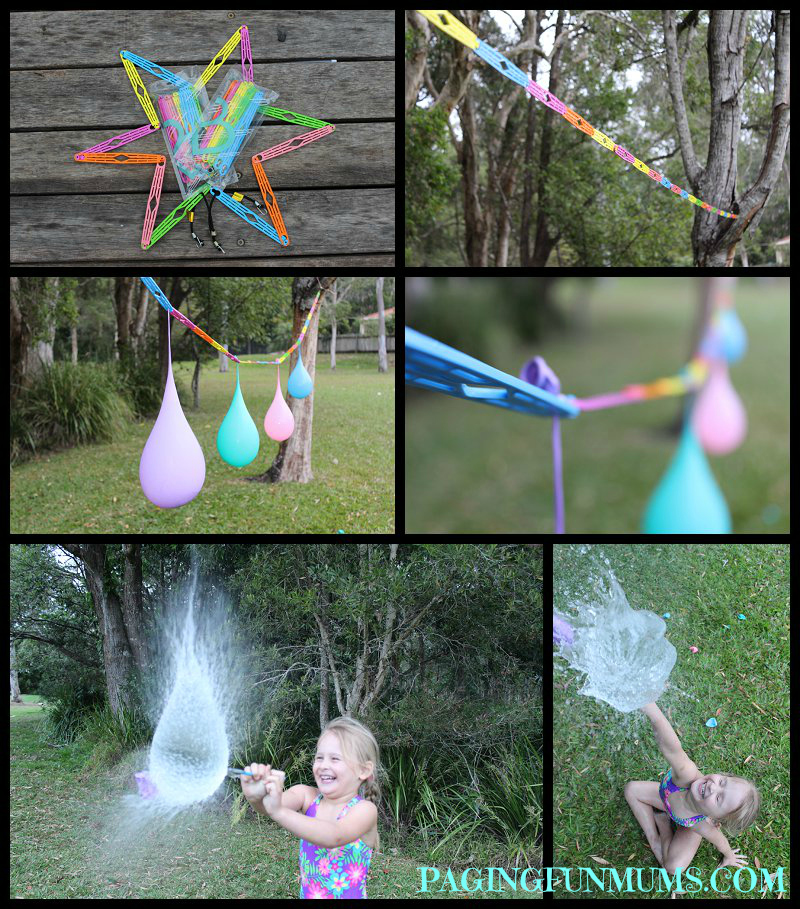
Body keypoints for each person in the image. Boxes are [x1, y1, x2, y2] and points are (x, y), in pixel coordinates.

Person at [240, 716, 379, 898]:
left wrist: (279, 811)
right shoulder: (305, 795)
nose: (323, 765)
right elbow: (269, 809)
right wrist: (256, 797)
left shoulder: (364, 810)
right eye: (319, 757)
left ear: (364, 770)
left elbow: (334, 836)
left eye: (335, 759)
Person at [624, 702, 759, 875]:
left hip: (685, 825)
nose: (713, 787)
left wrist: (729, 856)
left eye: (719, 799)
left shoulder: (700, 826)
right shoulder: (686, 775)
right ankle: (654, 837)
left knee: (673, 869)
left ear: (715, 819)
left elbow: (721, 842)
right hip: (668, 797)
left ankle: (663, 828)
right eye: (722, 782)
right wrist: (651, 709)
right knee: (630, 790)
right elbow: (672, 748)